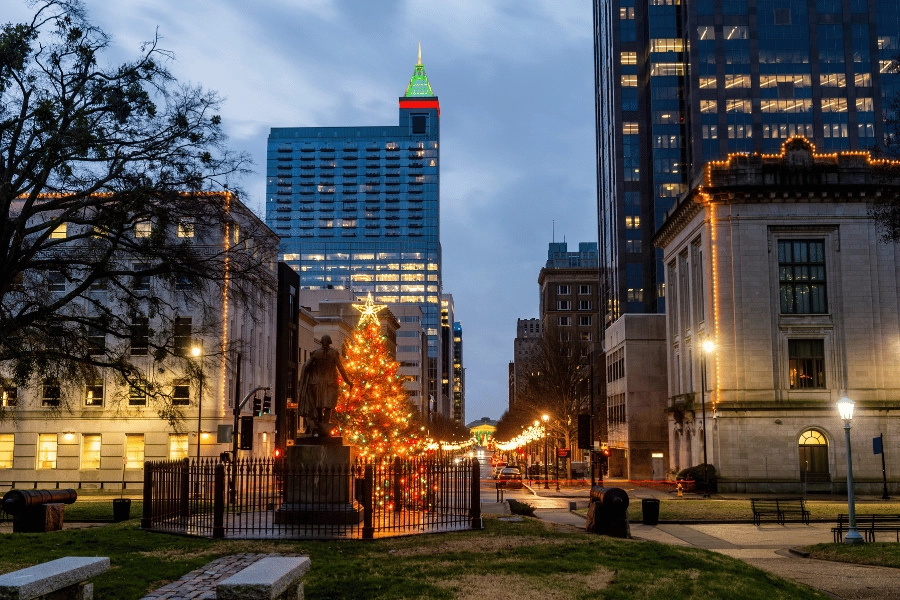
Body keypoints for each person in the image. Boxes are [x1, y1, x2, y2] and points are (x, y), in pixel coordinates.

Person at [298, 335, 352, 437]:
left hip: (316, 383)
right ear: (330, 342)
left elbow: (307, 366)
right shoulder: (334, 354)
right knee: (328, 406)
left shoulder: (315, 354)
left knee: (318, 406)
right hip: (330, 383)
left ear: (321, 342)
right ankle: (325, 426)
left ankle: (320, 427)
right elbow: (341, 369)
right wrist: (348, 381)